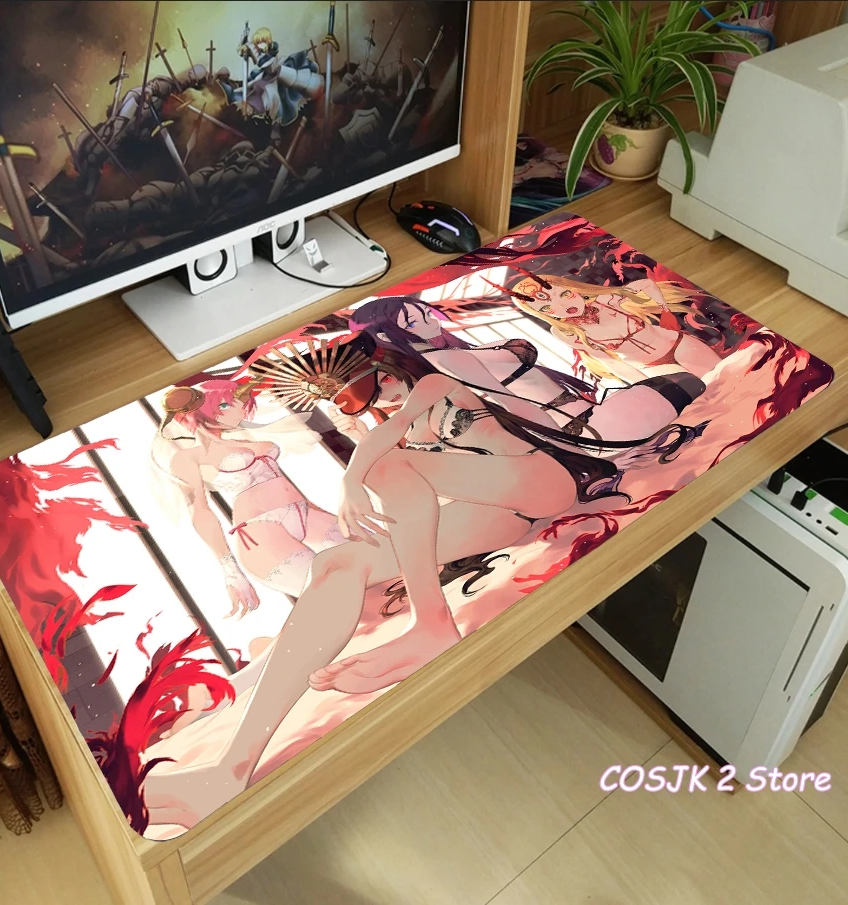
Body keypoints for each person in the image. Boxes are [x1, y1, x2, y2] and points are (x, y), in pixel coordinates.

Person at [139, 351, 633, 830]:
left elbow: (387, 440)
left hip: (541, 482)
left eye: (361, 391)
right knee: (337, 563)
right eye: (346, 400)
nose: (362, 402)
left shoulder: (436, 385)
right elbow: (391, 447)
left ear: (385, 368)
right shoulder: (196, 456)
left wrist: (352, 480)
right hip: (494, 514)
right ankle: (229, 772)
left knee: (385, 468)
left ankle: (431, 625)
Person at [349, 295, 706, 444]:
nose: (430, 319)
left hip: (585, 422)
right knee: (696, 387)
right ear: (390, 336)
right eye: (413, 320)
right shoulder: (444, 363)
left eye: (425, 311)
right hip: (585, 429)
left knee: (696, 388)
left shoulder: (446, 356)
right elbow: (514, 408)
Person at [154, 374, 344, 609]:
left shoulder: (245, 439)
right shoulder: (187, 458)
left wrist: (322, 511)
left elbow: (284, 485)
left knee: (376, 556)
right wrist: (230, 571)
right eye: (227, 404)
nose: (240, 409)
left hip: (305, 514)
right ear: (203, 412)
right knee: (338, 597)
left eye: (240, 402)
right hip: (260, 532)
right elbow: (200, 511)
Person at [505, 268, 723, 383]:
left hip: (678, 344)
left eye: (564, 294)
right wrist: (642, 385)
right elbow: (607, 360)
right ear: (541, 314)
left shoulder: (606, 299)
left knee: (727, 379)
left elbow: (646, 285)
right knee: (704, 402)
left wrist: (663, 308)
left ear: (573, 288)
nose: (562, 306)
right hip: (649, 367)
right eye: (547, 307)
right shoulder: (564, 332)